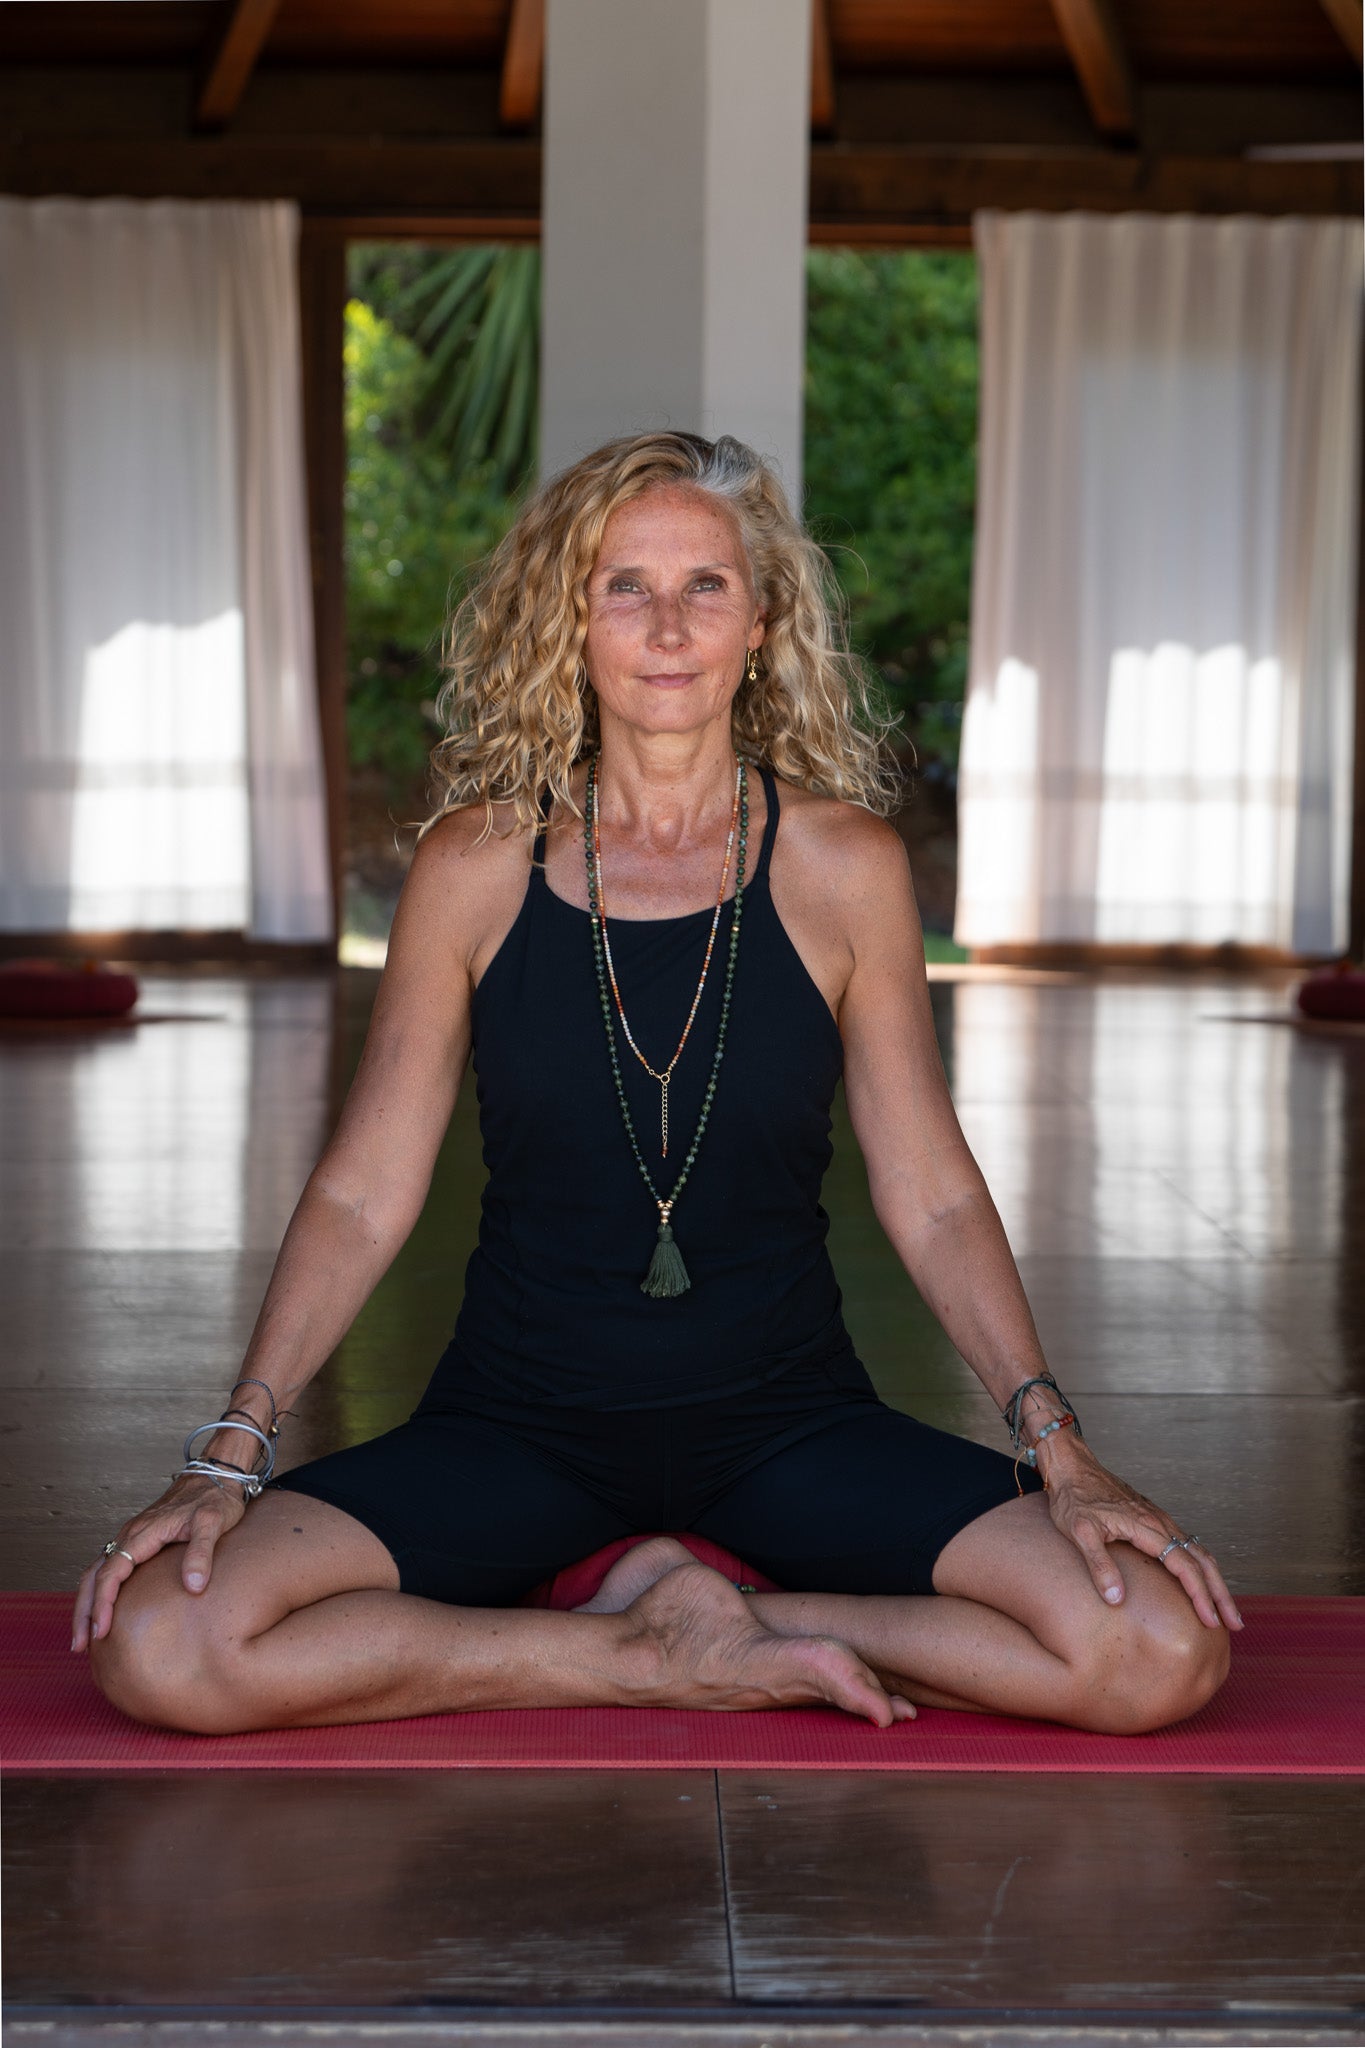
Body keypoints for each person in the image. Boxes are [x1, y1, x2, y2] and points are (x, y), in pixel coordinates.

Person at [75, 431, 1239, 1736]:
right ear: (568, 619)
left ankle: (747, 1615)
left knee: (1155, 1649)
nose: (668, 625)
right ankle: (628, 1649)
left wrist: (1056, 1448)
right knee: (164, 1644)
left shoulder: (843, 866)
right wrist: (234, 1443)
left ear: (763, 621)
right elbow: (361, 1193)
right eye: (625, 584)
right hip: (517, 1426)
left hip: (786, 1424)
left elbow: (932, 1194)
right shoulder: (474, 865)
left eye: (707, 586)